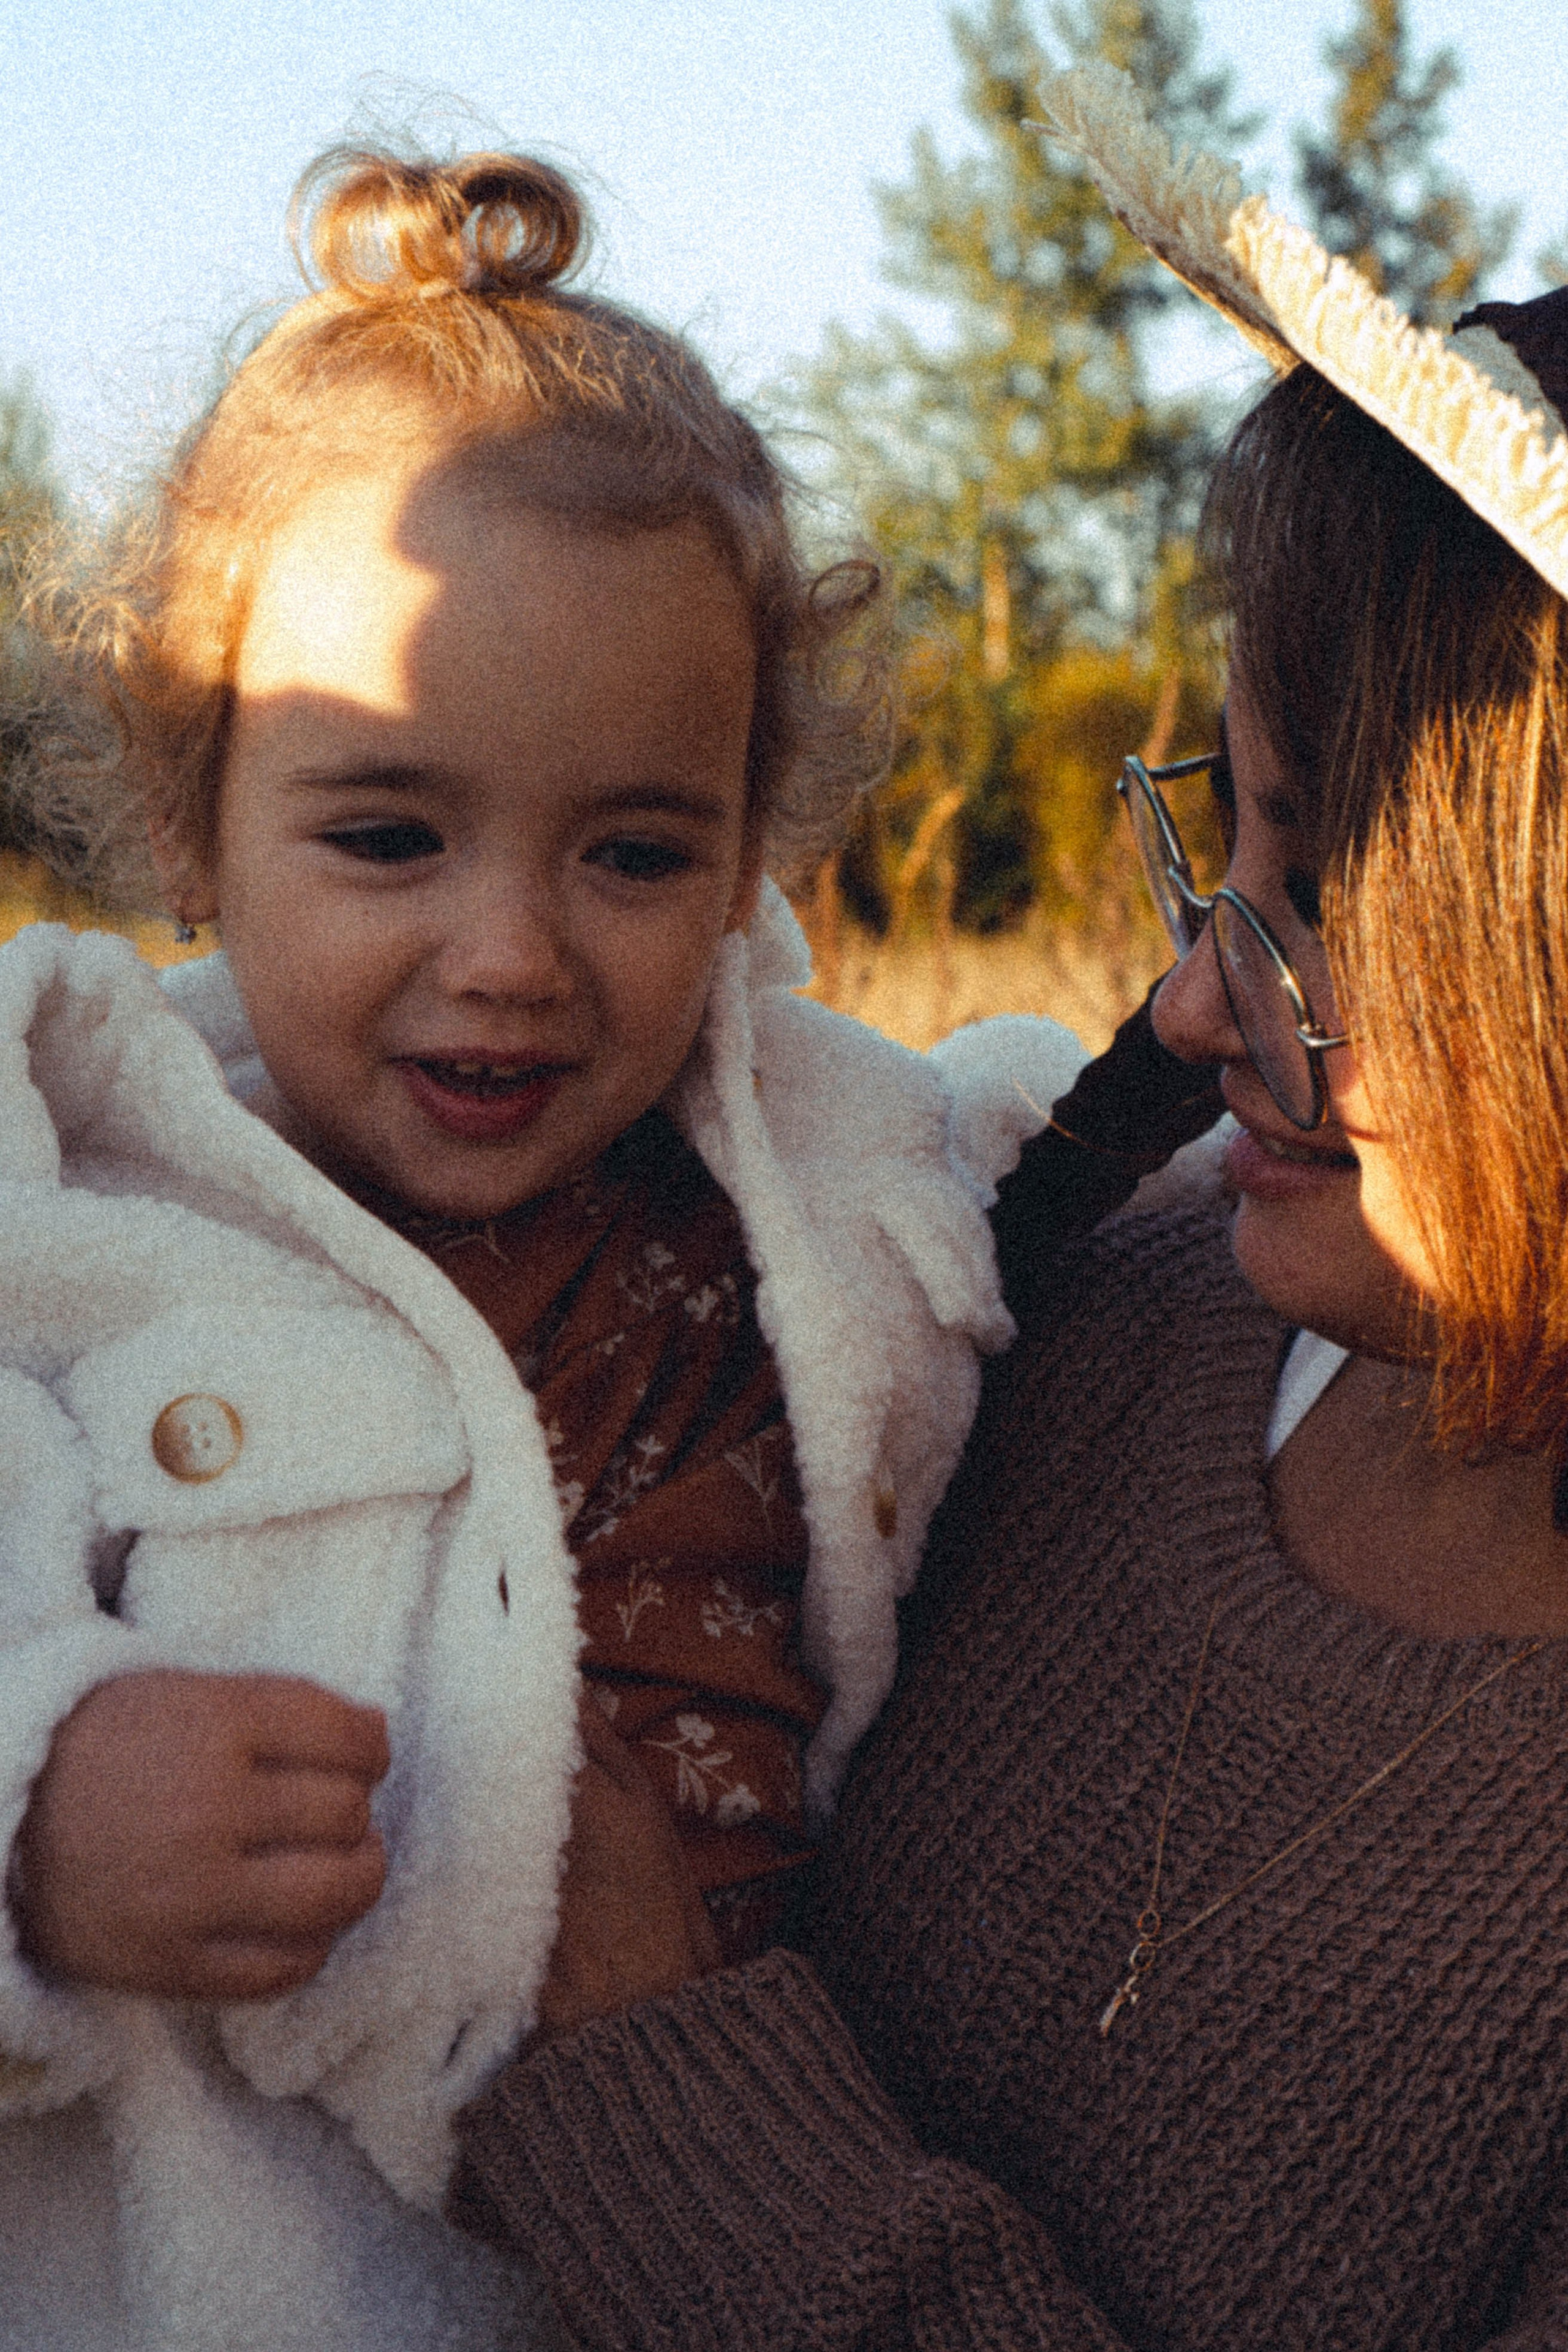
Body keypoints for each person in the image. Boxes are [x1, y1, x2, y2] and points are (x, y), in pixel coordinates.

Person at [444, 66, 1568, 2352]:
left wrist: (676, 2102)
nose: (1186, 994)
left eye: (1333, 892)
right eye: (1230, 842)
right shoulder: (1123, 1307)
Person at [0, 143, 1135, 2352]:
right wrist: (34, 1828)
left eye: (632, 849)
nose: (507, 954)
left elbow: (1102, 1216)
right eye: (389, 833)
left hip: (718, 2247)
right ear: (188, 809)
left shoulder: (836, 1181)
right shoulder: (71, 1216)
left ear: (744, 858)